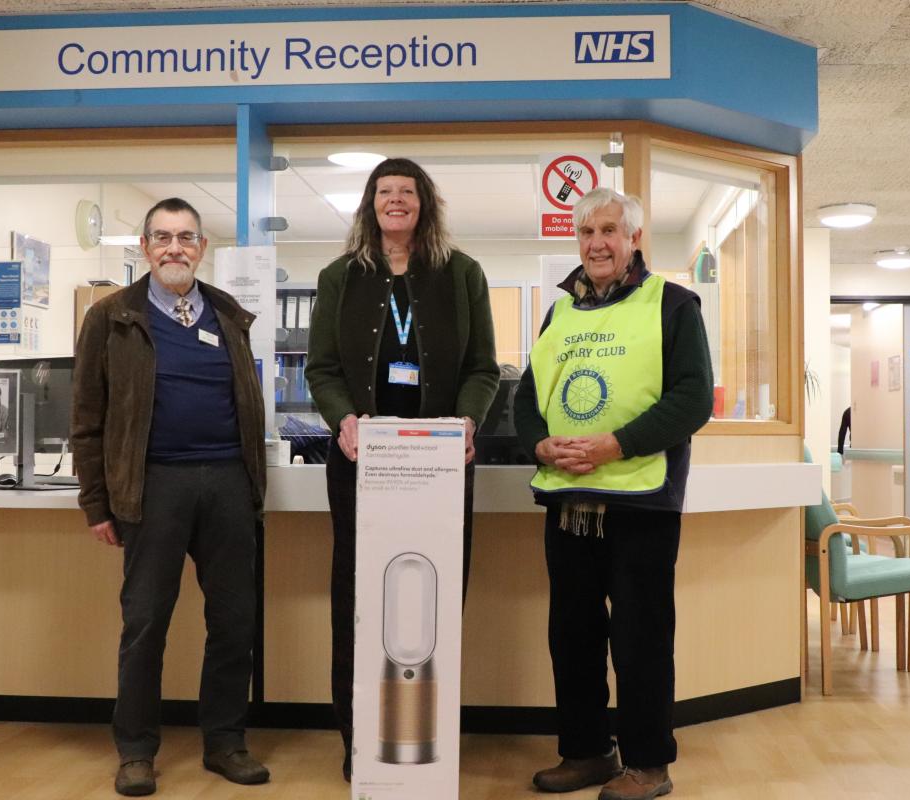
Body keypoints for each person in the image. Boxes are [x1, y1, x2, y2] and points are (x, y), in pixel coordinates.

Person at [514, 188, 714, 800]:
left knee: (640, 637)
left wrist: (615, 445)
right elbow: (528, 395)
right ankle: (587, 753)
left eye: (609, 231)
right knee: (571, 634)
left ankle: (649, 764)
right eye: (586, 232)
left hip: (641, 501)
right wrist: (541, 444)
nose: (596, 243)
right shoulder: (559, 315)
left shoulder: (673, 303)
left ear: (634, 240)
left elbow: (692, 399)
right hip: (570, 500)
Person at [305, 157, 499, 782]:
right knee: (357, 601)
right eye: (384, 192)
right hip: (362, 460)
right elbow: (323, 370)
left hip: (439, 461)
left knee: (435, 600)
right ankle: (357, 737)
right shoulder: (339, 277)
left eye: (406, 192)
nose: (395, 201)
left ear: (424, 203)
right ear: (370, 203)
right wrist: (343, 420)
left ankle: (431, 736)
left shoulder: (462, 274)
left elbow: (483, 369)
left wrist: (468, 421)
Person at [72, 198, 269, 797]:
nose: (174, 248)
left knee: (235, 622)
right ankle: (135, 752)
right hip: (154, 485)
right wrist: (97, 503)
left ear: (202, 248)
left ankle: (225, 742)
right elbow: (87, 416)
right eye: (162, 237)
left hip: (229, 483)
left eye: (186, 237)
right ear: (144, 247)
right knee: (145, 624)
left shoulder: (229, 314)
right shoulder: (112, 317)